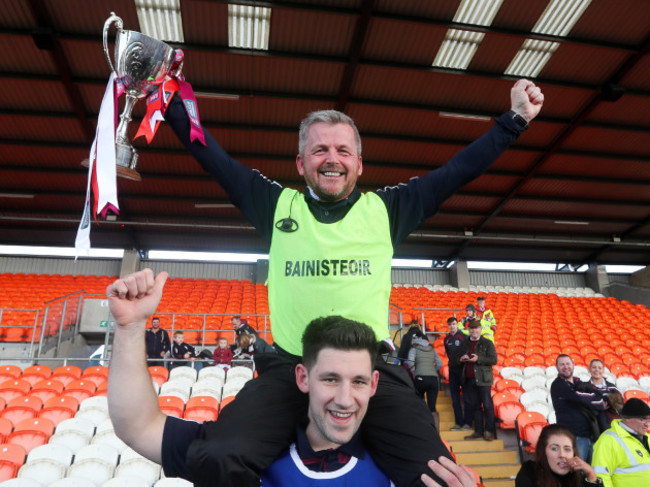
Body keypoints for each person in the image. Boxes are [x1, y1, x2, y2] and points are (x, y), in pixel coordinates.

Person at [163, 78, 544, 486]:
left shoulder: (385, 210)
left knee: (441, 479)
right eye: (320, 149)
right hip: (290, 369)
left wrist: (515, 119)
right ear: (300, 162)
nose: (332, 159)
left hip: (370, 372)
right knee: (214, 457)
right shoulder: (276, 206)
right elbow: (214, 159)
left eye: (343, 150)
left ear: (359, 164)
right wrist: (164, 97)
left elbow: (456, 172)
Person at [105, 271, 476, 487]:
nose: (345, 398)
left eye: (358, 382)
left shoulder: (407, 465)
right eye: (330, 379)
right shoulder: (245, 453)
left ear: (375, 385)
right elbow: (137, 426)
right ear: (302, 377)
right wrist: (130, 326)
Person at [551, 354, 605, 464]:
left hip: (589, 435)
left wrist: (596, 401)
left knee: (592, 471)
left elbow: (597, 393)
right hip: (574, 437)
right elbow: (578, 398)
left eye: (568, 364)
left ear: (573, 365)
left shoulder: (577, 382)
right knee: (577, 472)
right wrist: (599, 404)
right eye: (562, 364)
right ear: (556, 367)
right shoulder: (558, 385)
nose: (566, 367)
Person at [515, 423, 601, 487]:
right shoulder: (529, 472)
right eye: (554, 448)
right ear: (543, 451)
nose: (562, 455)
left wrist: (591, 475)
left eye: (567, 449)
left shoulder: (579, 478)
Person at [592, 398, 650, 487]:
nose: (647, 424)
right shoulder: (608, 440)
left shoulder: (648, 437)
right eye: (643, 419)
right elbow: (601, 476)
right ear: (627, 418)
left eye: (649, 419)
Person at [459, 320, 497, 441]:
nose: (474, 331)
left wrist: (478, 359)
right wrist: (461, 359)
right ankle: (479, 431)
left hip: (484, 380)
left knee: (487, 405)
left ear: (480, 329)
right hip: (469, 379)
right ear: (469, 330)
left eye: (476, 329)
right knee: (475, 406)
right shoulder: (464, 343)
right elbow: (456, 358)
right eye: (471, 329)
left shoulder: (487, 343)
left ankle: (489, 431)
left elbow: (493, 360)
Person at [408, 335, 443, 429]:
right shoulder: (433, 350)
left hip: (420, 378)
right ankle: (435, 433)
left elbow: (410, 363)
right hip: (433, 379)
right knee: (432, 408)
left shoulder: (414, 349)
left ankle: (421, 429)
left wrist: (415, 373)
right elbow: (440, 364)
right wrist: (433, 371)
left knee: (418, 404)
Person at [444, 317, 471, 431]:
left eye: (454, 324)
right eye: (450, 325)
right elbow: (449, 354)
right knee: (454, 398)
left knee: (466, 397)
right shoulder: (447, 339)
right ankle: (458, 423)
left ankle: (468, 423)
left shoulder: (464, 337)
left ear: (457, 325)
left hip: (463, 371)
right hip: (452, 371)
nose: (452, 326)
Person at [588, 359, 622, 430]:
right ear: (589, 369)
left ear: (603, 371)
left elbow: (620, 403)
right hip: (593, 424)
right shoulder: (585, 387)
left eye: (600, 368)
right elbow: (585, 405)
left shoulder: (612, 386)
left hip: (613, 420)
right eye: (594, 367)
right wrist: (600, 406)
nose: (597, 370)